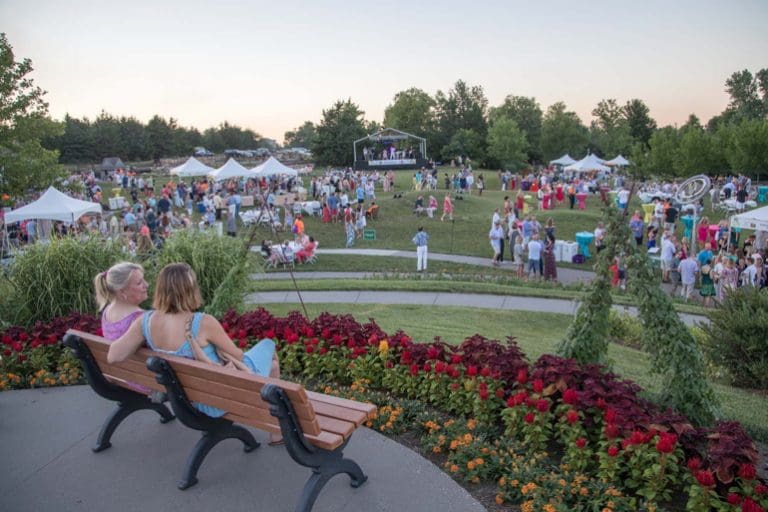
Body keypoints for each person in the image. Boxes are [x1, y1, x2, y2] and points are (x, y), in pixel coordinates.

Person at [107, 263, 282, 444]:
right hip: (217, 401)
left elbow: (113, 356)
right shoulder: (203, 322)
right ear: (191, 289)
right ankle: (276, 431)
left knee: (273, 366)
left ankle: (275, 427)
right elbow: (239, 356)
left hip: (187, 400)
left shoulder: (144, 322)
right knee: (268, 346)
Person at [94, 262, 148, 340]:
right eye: (139, 283)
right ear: (122, 291)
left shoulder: (107, 311)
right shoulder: (141, 319)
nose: (146, 285)